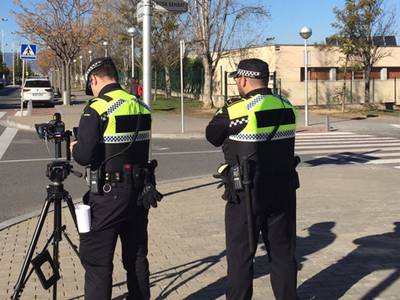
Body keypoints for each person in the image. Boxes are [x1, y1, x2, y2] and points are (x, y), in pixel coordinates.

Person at [206, 58, 300, 300]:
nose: (237, 82)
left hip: (247, 194)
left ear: (244, 79)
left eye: (238, 78)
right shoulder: (287, 106)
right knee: (283, 254)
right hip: (283, 192)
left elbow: (213, 135)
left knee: (240, 257)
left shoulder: (236, 111)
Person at [70, 57, 162, 300]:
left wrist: (74, 146)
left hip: (108, 194)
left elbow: (84, 156)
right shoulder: (141, 105)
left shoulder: (97, 108)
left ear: (94, 79)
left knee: (98, 262)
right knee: (136, 257)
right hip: (140, 191)